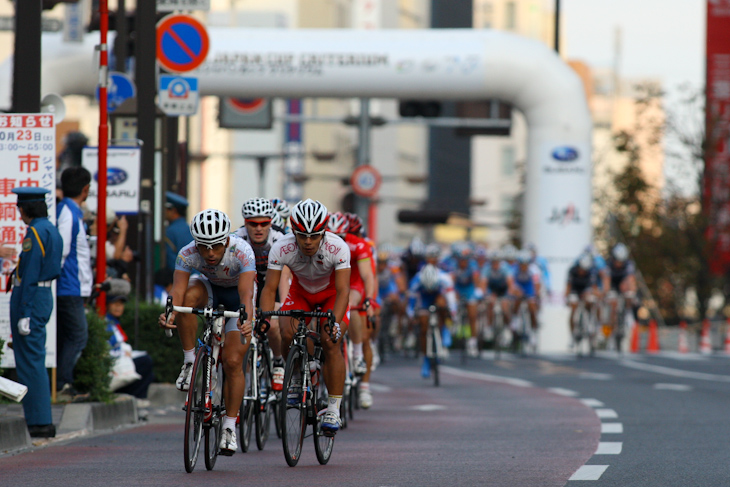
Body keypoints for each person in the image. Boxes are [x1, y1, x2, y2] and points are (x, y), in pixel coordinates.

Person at [159, 209, 256, 455]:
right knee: (185, 301)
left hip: (237, 300)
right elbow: (178, 291)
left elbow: (246, 294)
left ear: (226, 241)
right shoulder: (187, 253)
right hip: (209, 290)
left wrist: (248, 319)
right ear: (196, 244)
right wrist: (170, 311)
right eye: (204, 247)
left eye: (215, 246)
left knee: (233, 361)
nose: (210, 253)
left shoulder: (242, 251)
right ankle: (190, 361)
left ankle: (229, 427)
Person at [259, 199, 351, 435]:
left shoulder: (338, 247)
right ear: (293, 231)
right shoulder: (282, 247)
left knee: (330, 340)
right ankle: (299, 374)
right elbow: (269, 289)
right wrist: (265, 318)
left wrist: (335, 322)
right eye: (302, 235)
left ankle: (333, 407)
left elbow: (343, 291)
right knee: (285, 328)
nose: (308, 241)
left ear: (323, 232)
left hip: (331, 295)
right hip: (301, 293)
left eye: (314, 235)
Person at [9, 188, 63, 438]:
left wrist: (25, 313)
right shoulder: (51, 229)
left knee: (30, 362)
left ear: (25, 209)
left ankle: (39, 420)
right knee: (34, 359)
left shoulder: (34, 232)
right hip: (43, 296)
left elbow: (29, 274)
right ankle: (40, 419)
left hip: (31, 298)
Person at [235, 198, 288, 391]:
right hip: (247, 283)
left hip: (272, 284)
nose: (258, 228)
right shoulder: (237, 239)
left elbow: (284, 278)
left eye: (264, 223)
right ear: (245, 223)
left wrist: (284, 307)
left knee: (273, 323)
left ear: (271, 223)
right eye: (253, 224)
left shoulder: (280, 240)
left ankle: (278, 361)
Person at [56, 166, 93, 398]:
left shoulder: (71, 211)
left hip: (72, 286)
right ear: (86, 189)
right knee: (79, 336)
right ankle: (62, 384)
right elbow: (61, 251)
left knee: (68, 336)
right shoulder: (68, 213)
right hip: (68, 287)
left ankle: (63, 383)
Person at [406, 263, 457, 378]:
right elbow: (411, 303)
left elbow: (451, 300)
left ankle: (444, 331)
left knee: (443, 305)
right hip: (424, 300)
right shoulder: (416, 281)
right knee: (423, 326)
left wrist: (453, 314)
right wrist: (412, 315)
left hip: (438, 297)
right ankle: (426, 359)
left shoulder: (444, 279)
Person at [106, 294, 154, 404]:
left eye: (121, 304)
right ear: (107, 305)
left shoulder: (114, 322)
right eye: (115, 303)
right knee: (146, 362)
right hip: (113, 364)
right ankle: (135, 398)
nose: (118, 307)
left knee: (148, 367)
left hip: (120, 360)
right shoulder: (105, 321)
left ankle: (137, 399)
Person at [566, 252, 599, 341]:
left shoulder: (591, 272)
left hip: (585, 290)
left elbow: (594, 287)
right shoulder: (572, 271)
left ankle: (591, 322)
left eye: (585, 270)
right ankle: (572, 335)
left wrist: (596, 296)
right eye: (581, 269)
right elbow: (568, 287)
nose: (582, 272)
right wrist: (567, 298)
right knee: (573, 308)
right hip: (575, 290)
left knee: (591, 302)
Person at [164, 191, 193, 272]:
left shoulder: (170, 231)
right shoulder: (190, 229)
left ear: (173, 210)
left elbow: (171, 262)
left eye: (166, 209)